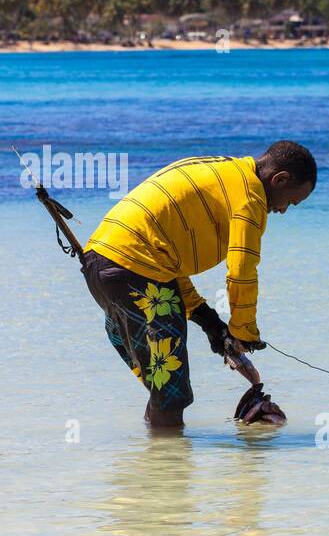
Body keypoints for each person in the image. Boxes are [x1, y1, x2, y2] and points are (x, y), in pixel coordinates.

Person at [81, 142, 316, 427]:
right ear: (280, 179)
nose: (282, 210)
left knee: (164, 387)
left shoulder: (222, 170)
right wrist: (244, 332)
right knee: (169, 395)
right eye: (290, 202)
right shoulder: (249, 197)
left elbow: (165, 261)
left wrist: (210, 322)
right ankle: (170, 469)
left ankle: (155, 464)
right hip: (135, 273)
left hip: (102, 266)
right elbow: (242, 270)